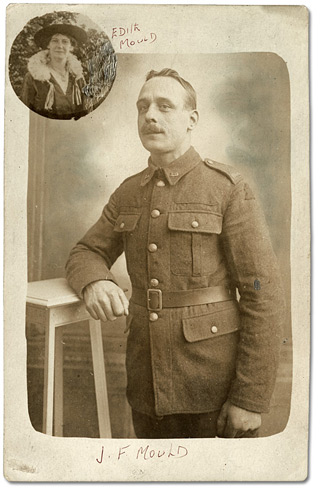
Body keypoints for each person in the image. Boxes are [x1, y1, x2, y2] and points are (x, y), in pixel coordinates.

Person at [66, 68, 286, 439]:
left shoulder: (227, 188)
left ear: (191, 120)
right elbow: (86, 251)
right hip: (146, 387)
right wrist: (95, 282)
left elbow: (262, 294)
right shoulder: (128, 193)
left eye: (165, 106)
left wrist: (249, 398)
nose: (150, 115)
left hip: (212, 388)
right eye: (142, 106)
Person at [20, 23, 87, 119]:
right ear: (48, 45)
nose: (60, 46)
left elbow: (86, 111)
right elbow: (25, 114)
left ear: (71, 47)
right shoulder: (33, 77)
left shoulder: (78, 78)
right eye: (55, 41)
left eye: (65, 42)